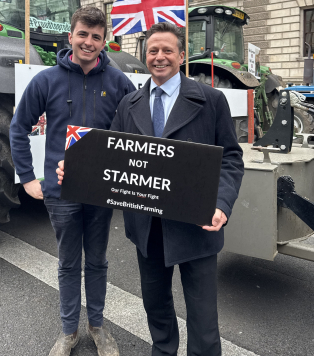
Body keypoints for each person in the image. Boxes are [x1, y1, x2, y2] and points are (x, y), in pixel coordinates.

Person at [58, 21, 244, 356]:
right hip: (147, 228)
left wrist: (222, 203)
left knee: (203, 321)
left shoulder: (212, 100)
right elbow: (110, 158)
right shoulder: (129, 104)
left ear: (181, 56)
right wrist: (75, 170)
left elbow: (231, 159)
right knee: (156, 309)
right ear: (146, 56)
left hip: (196, 227)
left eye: (167, 50)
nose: (159, 57)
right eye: (153, 51)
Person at [10, 6, 135, 356]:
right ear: (71, 37)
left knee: (97, 260)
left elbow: (134, 133)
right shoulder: (46, 80)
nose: (89, 42)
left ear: (104, 40)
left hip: (101, 190)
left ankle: (96, 325)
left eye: (96, 36)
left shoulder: (118, 82)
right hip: (60, 192)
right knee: (68, 262)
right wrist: (27, 179)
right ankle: (69, 331)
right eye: (83, 34)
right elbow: (18, 127)